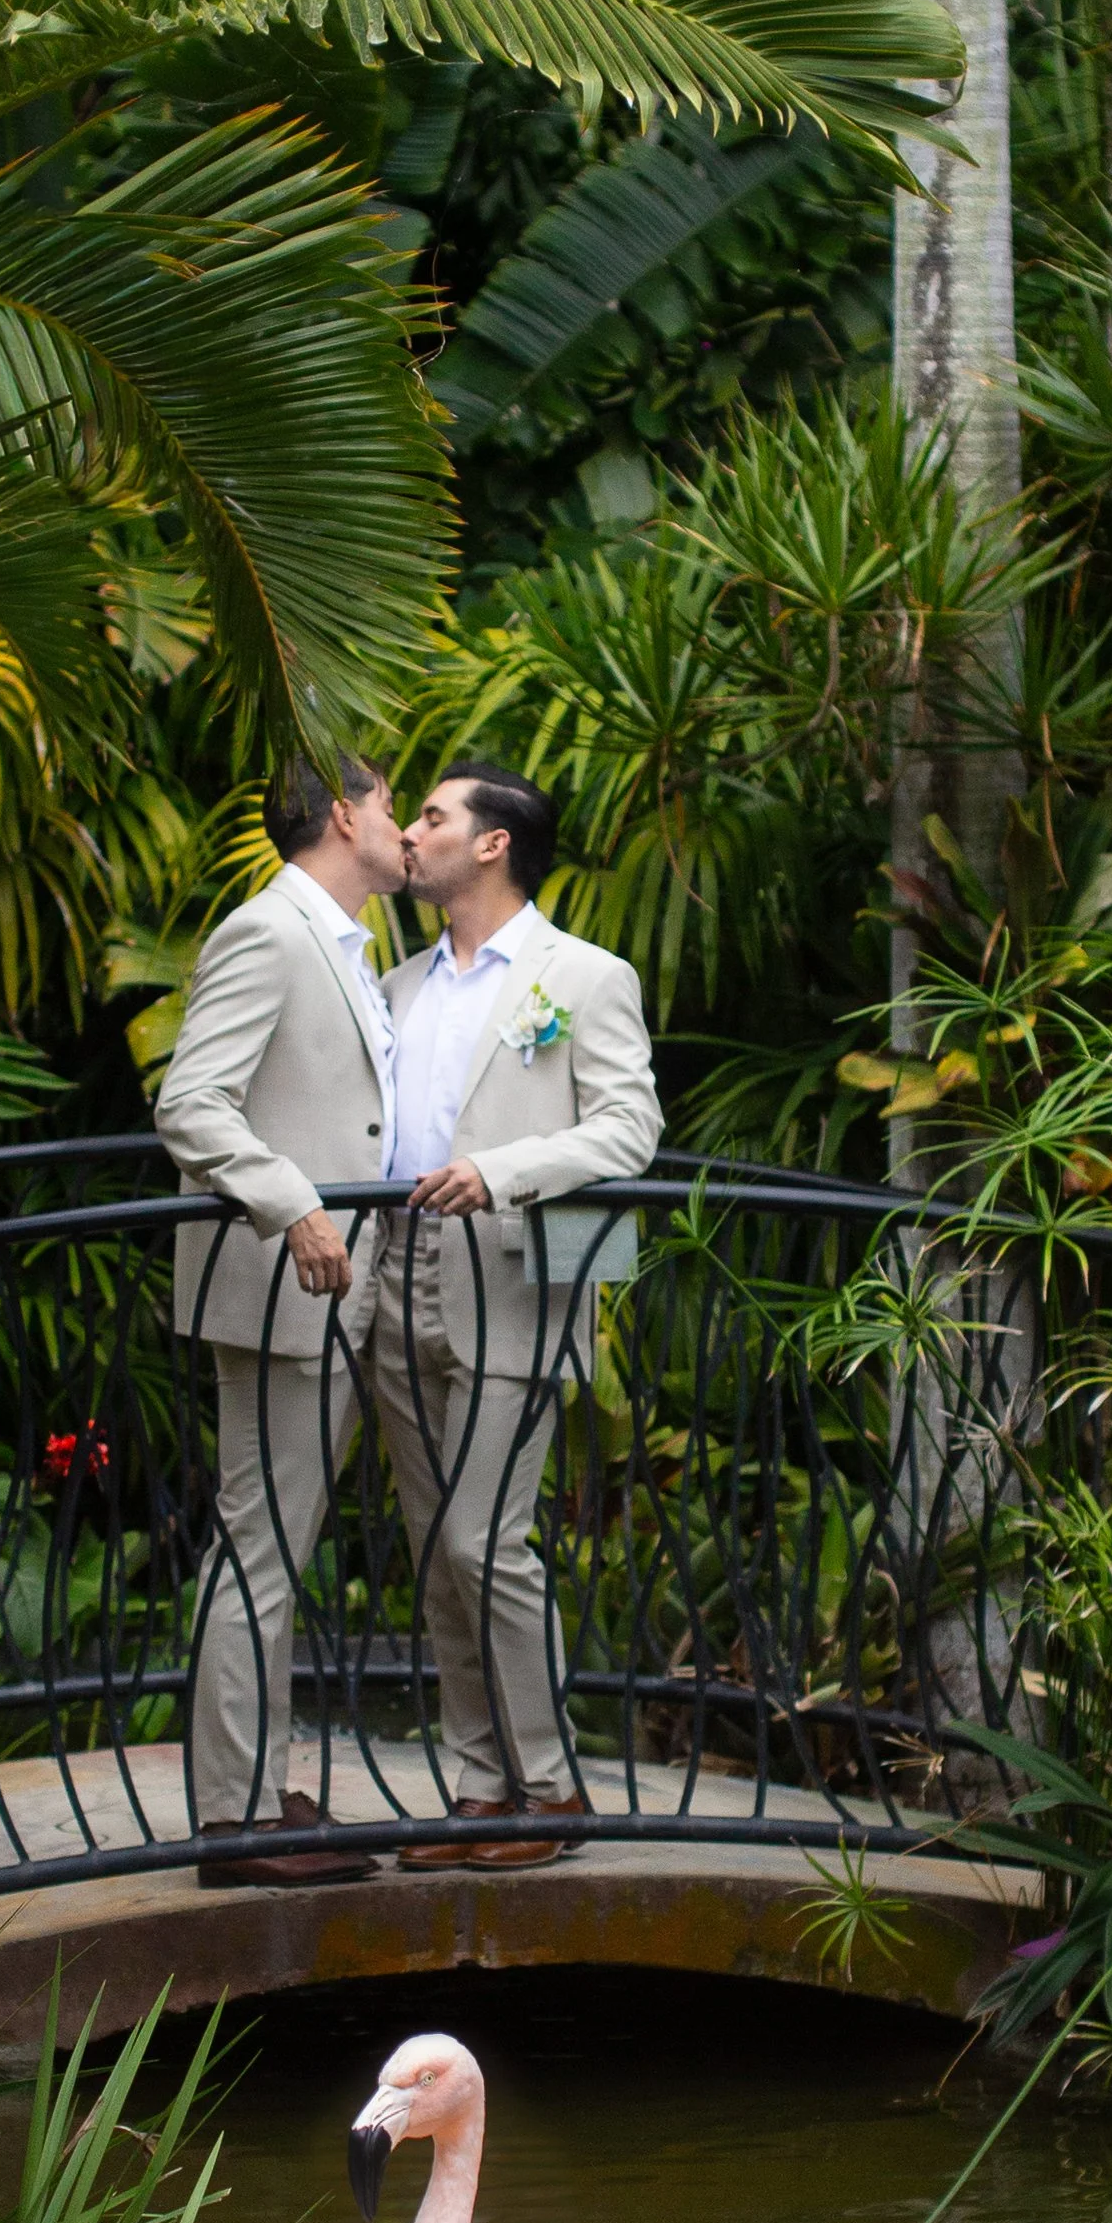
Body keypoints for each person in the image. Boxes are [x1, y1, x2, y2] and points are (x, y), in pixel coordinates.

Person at [372, 760, 661, 1869]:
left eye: (434, 817)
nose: (414, 833)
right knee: (433, 1548)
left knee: (483, 1537)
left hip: (512, 1277)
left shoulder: (583, 977)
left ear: (491, 844)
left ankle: (548, 1786)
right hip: (399, 1280)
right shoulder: (395, 988)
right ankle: (480, 1792)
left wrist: (503, 1169)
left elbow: (627, 1130)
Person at [155, 751, 406, 1885]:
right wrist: (296, 1206)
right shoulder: (269, 931)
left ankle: (256, 1789)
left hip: (333, 1293)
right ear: (345, 815)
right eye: (393, 805)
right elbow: (190, 1103)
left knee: (277, 1544)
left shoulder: (352, 948)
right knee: (259, 1544)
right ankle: (235, 1819)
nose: (403, 828)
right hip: (279, 1290)